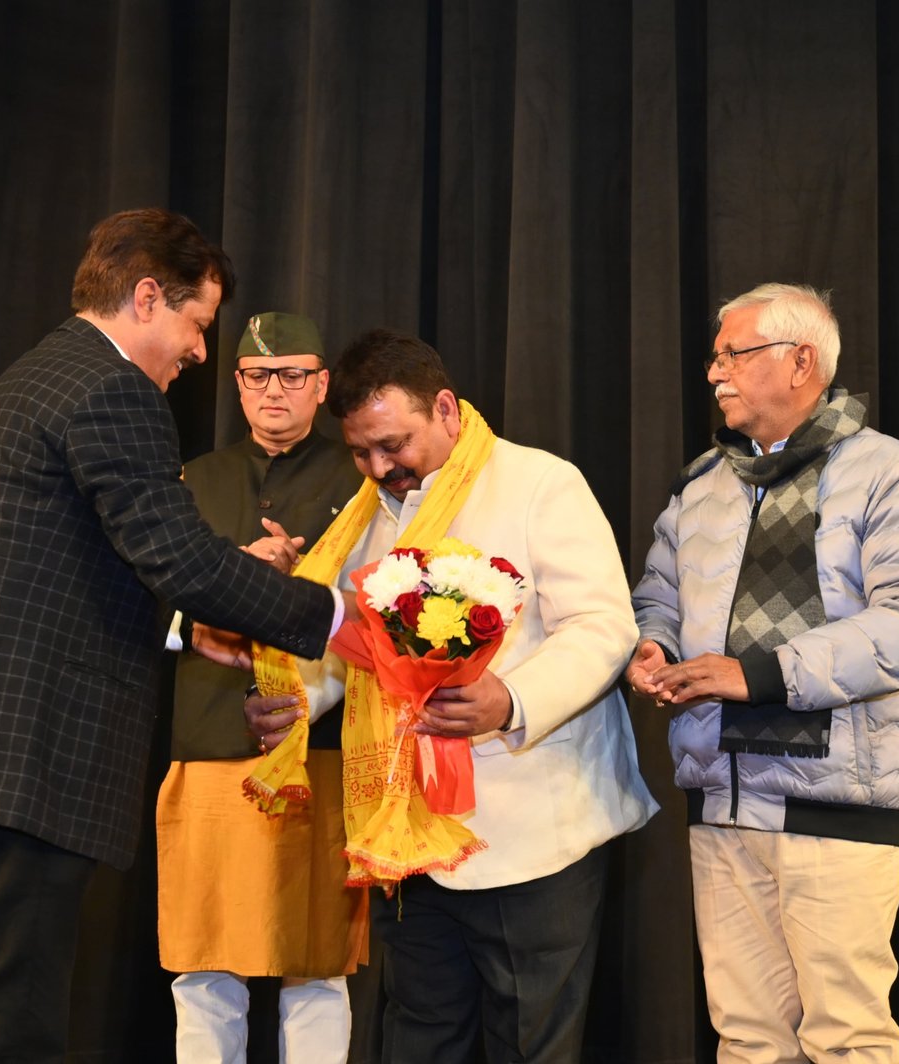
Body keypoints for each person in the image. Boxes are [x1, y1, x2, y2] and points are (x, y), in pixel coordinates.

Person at [0, 209, 344, 1062]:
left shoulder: (34, 376)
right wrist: (334, 617)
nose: (200, 351)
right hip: (13, 765)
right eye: (198, 323)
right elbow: (182, 558)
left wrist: (186, 631)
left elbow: (56, 568)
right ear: (148, 297)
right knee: (11, 1036)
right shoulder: (114, 389)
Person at [246, 328, 657, 1063]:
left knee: (531, 1046)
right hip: (407, 834)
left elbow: (604, 626)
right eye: (361, 452)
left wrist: (511, 700)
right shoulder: (366, 515)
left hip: (534, 833)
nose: (380, 468)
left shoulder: (539, 483)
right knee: (419, 1038)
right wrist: (296, 704)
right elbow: (356, 648)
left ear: (444, 408)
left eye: (393, 444)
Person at [627, 283, 899, 1063]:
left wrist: (761, 674)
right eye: (715, 357)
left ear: (800, 361)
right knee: (747, 1037)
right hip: (723, 799)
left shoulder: (890, 474)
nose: (715, 372)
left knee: (847, 1038)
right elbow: (660, 595)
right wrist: (652, 646)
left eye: (733, 354)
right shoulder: (703, 482)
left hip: (837, 802)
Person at [157, 312, 367, 1063]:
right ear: (237, 385)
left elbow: (387, 610)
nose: (273, 390)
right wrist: (220, 596)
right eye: (256, 376)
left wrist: (297, 587)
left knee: (317, 959)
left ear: (323, 385)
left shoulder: (363, 480)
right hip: (211, 738)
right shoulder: (190, 480)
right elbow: (148, 597)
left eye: (292, 375)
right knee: (203, 959)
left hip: (321, 745)